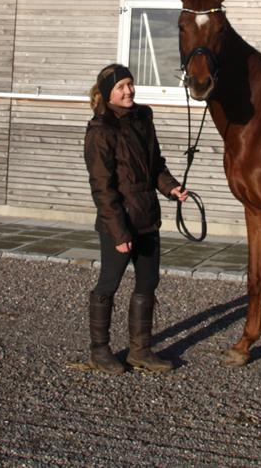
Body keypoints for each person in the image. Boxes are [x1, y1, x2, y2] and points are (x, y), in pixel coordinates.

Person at [83, 63, 188, 375]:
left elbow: (155, 164)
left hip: (147, 218)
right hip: (119, 224)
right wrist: (119, 232)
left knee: (148, 283)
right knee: (108, 285)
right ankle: (99, 351)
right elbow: (102, 188)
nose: (128, 91)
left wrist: (171, 188)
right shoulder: (100, 130)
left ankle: (139, 351)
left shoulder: (143, 117)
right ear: (107, 94)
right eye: (121, 87)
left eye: (130, 84)